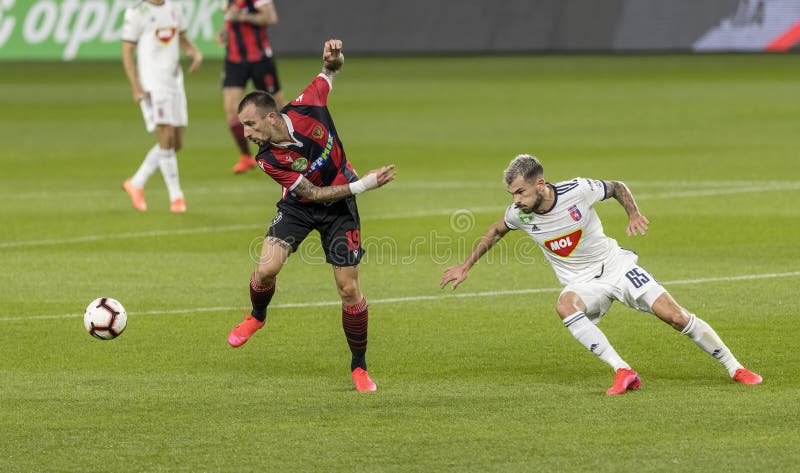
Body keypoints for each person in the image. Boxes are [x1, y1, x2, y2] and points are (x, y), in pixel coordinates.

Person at [440, 154, 762, 394]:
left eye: (521, 192)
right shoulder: (519, 214)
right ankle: (623, 370)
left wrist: (633, 213)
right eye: (512, 194)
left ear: (540, 184)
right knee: (565, 305)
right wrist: (466, 265)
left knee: (675, 317)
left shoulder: (577, 190)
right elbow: (496, 230)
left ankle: (735, 368)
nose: (516, 200)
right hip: (581, 283)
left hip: (617, 266)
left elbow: (616, 187)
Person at [227, 39, 396, 393]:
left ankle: (359, 367)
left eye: (250, 124)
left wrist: (335, 59)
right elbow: (313, 194)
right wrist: (364, 185)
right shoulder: (267, 158)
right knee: (266, 268)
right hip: (300, 206)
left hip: (340, 210)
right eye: (243, 127)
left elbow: (330, 72)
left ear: (271, 117)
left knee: (349, 289)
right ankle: (257, 316)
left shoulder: (308, 105)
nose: (246, 133)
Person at [121, 0, 202, 213]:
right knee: (165, 135)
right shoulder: (137, 12)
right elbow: (127, 50)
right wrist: (136, 85)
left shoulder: (174, 7)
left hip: (174, 81)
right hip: (152, 82)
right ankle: (177, 198)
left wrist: (193, 51)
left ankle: (136, 183)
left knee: (176, 142)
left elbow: (181, 38)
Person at [217, 0, 287, 174]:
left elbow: (271, 18)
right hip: (234, 60)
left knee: (279, 108)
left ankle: (291, 151)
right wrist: (224, 32)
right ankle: (246, 157)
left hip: (260, 59)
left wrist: (241, 16)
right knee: (232, 111)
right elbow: (230, 19)